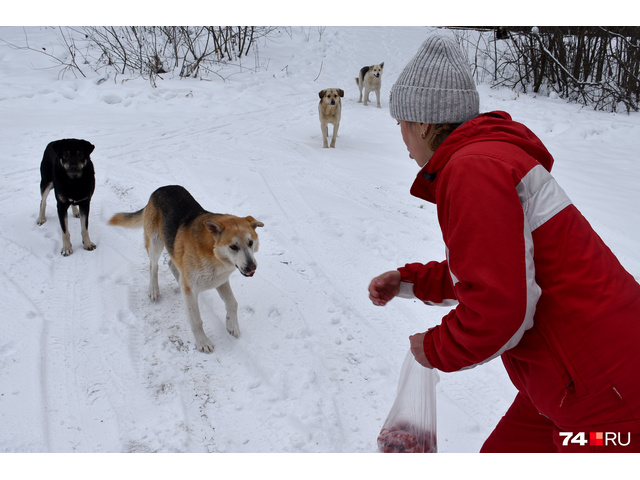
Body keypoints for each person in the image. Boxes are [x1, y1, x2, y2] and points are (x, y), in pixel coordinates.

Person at [368, 35, 640, 453]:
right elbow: (493, 267)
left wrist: (436, 347)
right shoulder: (485, 158)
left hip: (607, 395)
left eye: (401, 123)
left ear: (422, 123)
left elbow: (500, 307)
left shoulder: (473, 168)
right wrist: (408, 281)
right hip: (562, 380)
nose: (402, 137)